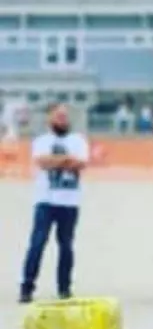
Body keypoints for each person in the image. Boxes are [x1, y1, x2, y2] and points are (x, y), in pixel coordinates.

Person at [19, 103, 90, 303]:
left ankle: (64, 288)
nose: (62, 119)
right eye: (58, 116)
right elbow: (42, 161)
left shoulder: (78, 140)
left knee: (66, 245)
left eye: (65, 116)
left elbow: (82, 163)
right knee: (37, 243)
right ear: (50, 118)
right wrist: (67, 160)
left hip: (70, 202)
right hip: (45, 201)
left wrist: (57, 160)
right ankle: (27, 287)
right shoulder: (42, 140)